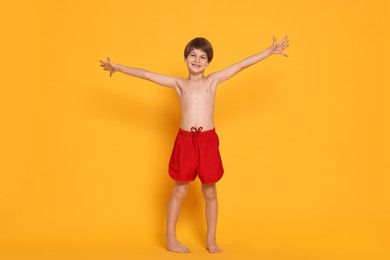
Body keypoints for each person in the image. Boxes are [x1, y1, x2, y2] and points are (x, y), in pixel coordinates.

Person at [99, 36, 289, 253]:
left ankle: (211, 239)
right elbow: (146, 74)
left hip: (207, 142)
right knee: (180, 190)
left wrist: (269, 51)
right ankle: (170, 238)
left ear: (208, 63)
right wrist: (118, 68)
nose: (197, 60)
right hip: (186, 141)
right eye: (193, 56)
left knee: (210, 193)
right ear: (185, 58)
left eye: (203, 57)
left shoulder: (213, 81)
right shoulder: (179, 84)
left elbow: (242, 65)